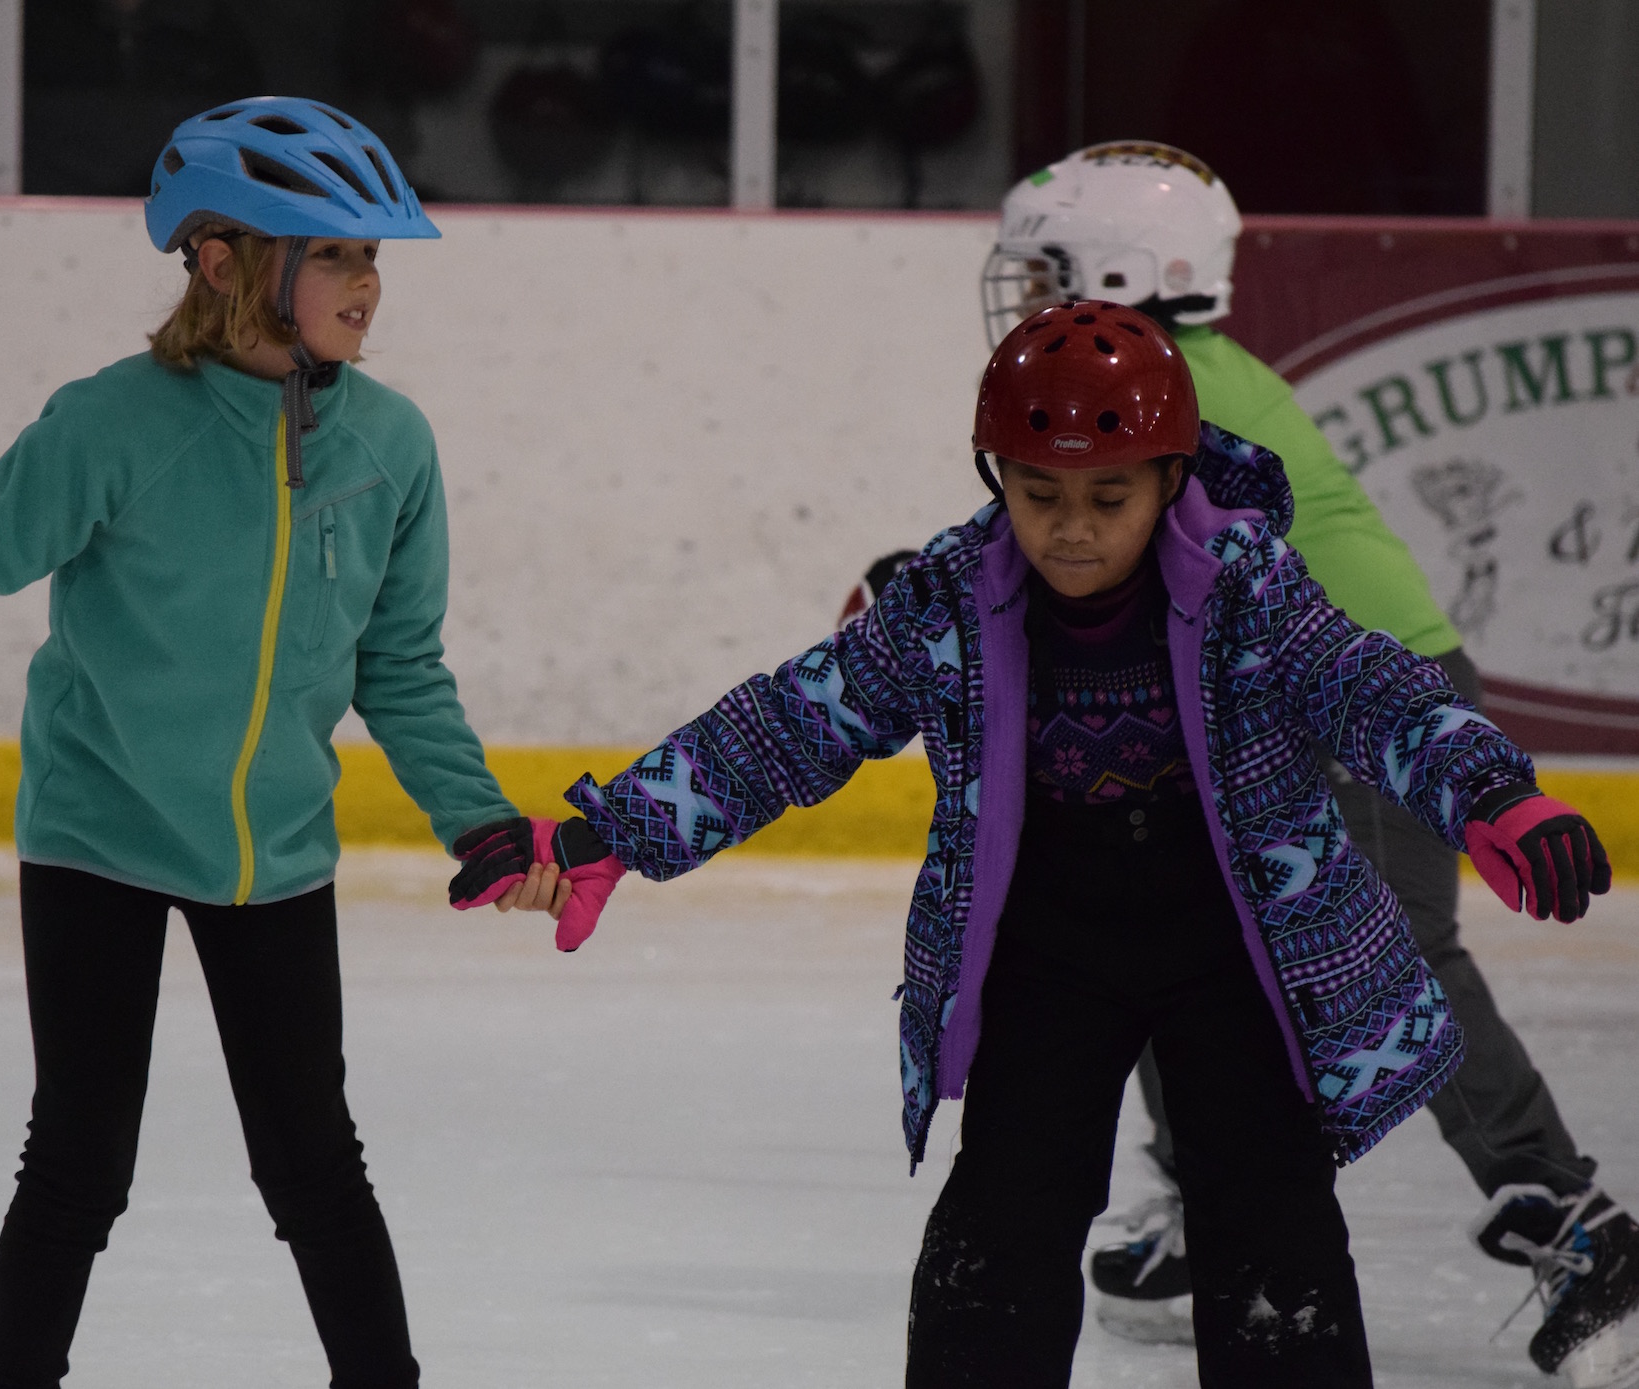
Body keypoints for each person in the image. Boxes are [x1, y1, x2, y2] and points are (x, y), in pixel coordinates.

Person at [456, 302, 1612, 1387]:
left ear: (1170, 480)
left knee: (1272, 1235)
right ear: (994, 479)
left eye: (1108, 497)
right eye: (1036, 492)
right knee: (998, 1236)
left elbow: (1374, 690)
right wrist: (608, 831)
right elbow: (790, 724)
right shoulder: (949, 598)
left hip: (1235, 943)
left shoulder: (1246, 586)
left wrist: (1494, 795)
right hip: (1049, 944)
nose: (1069, 528)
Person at [0, 98, 568, 1389]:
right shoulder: (112, 423)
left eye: (370, 256)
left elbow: (397, 667)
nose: (367, 284)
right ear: (224, 261)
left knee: (313, 1163)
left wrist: (478, 819)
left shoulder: (389, 448)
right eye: (332, 253)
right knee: (76, 1163)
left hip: (274, 849)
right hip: (96, 834)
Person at [830, 142, 1639, 1385]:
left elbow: (1142, 549)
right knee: (1173, 911)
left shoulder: (1181, 389)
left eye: (1047, 262)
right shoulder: (1158, 368)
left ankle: (1569, 1219)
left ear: (1122, 267)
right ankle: (1203, 1196)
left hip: (1363, 697)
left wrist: (915, 592)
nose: (1025, 287)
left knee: (1386, 951)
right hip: (1275, 703)